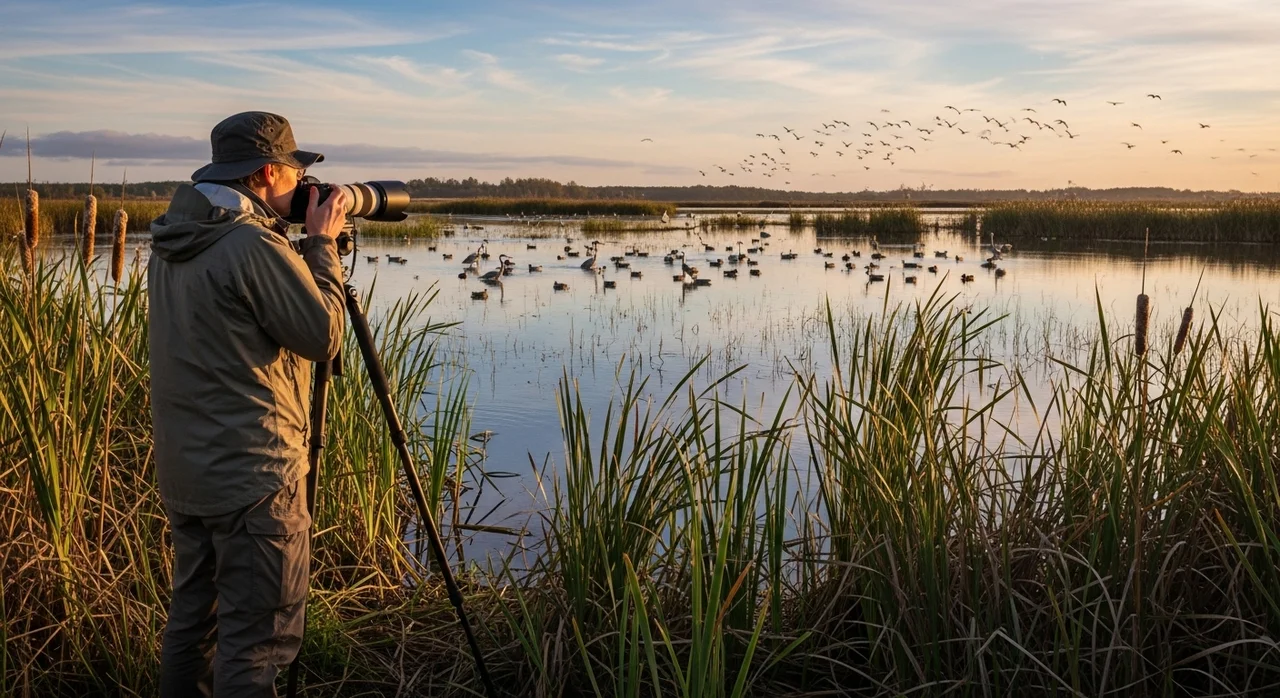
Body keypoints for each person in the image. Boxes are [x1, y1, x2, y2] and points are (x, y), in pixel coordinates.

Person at [148, 111, 348, 697]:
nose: (302, 189)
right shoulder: (248, 243)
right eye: (294, 175)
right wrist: (321, 245)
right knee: (256, 643)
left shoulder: (176, 236)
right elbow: (323, 337)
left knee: (194, 626)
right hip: (255, 477)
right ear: (266, 173)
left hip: (191, 474)